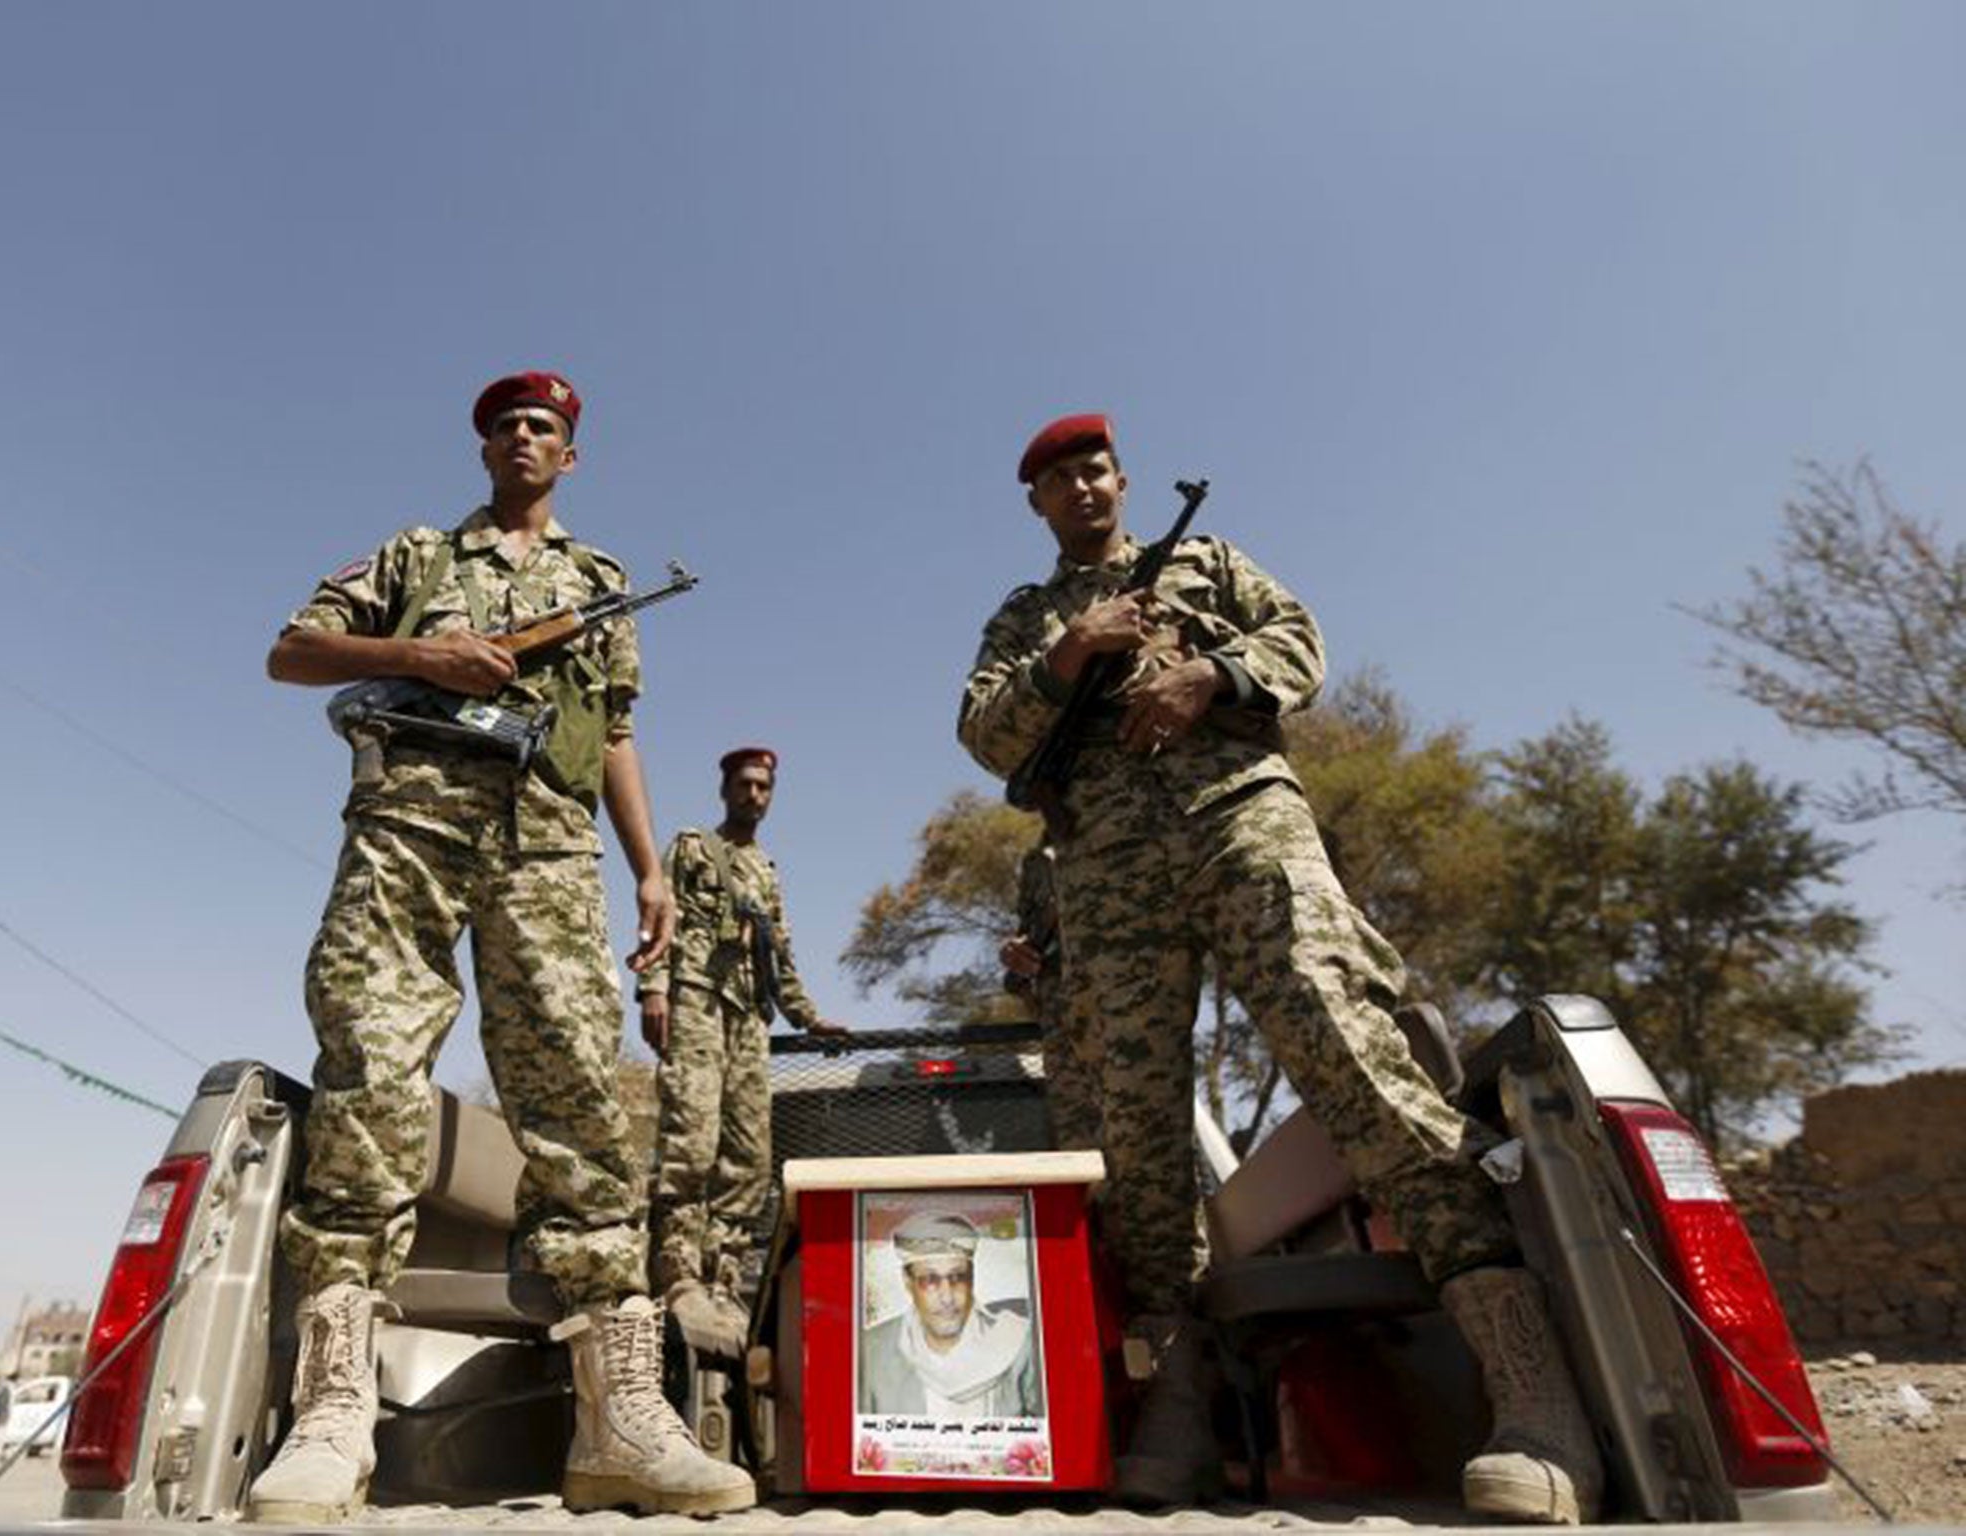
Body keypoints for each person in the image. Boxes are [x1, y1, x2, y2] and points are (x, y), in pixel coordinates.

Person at [958, 413, 1602, 1520]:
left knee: (1346, 1040)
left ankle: (1523, 1375)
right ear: (1035, 506)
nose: (1079, 488)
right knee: (1132, 1127)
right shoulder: (1023, 618)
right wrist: (1071, 654)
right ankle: (1176, 1393)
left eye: (1092, 469)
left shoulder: (1207, 559)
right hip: (1104, 872)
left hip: (1239, 818)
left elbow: (1296, 641)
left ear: (1120, 478)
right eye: (1055, 480)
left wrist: (1206, 675)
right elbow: (982, 733)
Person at [256, 372, 754, 1520]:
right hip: (411, 824)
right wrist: (426, 658)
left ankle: (619, 1417)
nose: (525, 437)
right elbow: (292, 650)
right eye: (507, 425)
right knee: (369, 1071)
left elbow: (616, 734)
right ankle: (333, 1410)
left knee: (579, 1093)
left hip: (549, 847)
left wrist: (649, 873)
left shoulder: (598, 585)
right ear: (484, 448)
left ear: (568, 458)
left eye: (545, 428)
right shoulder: (420, 558)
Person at [639, 746, 847, 1356]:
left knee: (750, 1152)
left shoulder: (766, 868)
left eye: (764, 788)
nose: (755, 796)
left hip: (749, 1013)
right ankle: (677, 1271)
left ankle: (723, 1277)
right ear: (726, 788)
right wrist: (654, 989)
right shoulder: (693, 845)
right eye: (746, 785)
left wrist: (807, 1019)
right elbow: (659, 919)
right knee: (691, 1137)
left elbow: (778, 953)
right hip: (697, 998)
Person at [858, 1212, 1043, 1420]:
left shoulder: (1016, 1342)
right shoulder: (870, 1350)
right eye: (930, 1280)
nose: (947, 1297)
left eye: (957, 1277)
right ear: (908, 1282)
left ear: (971, 1279)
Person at [999, 843, 1101, 1152]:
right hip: (1061, 1027)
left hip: (1120, 1007)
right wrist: (1013, 953)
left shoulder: (1124, 828)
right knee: (1079, 1151)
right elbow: (1028, 936)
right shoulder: (1036, 861)